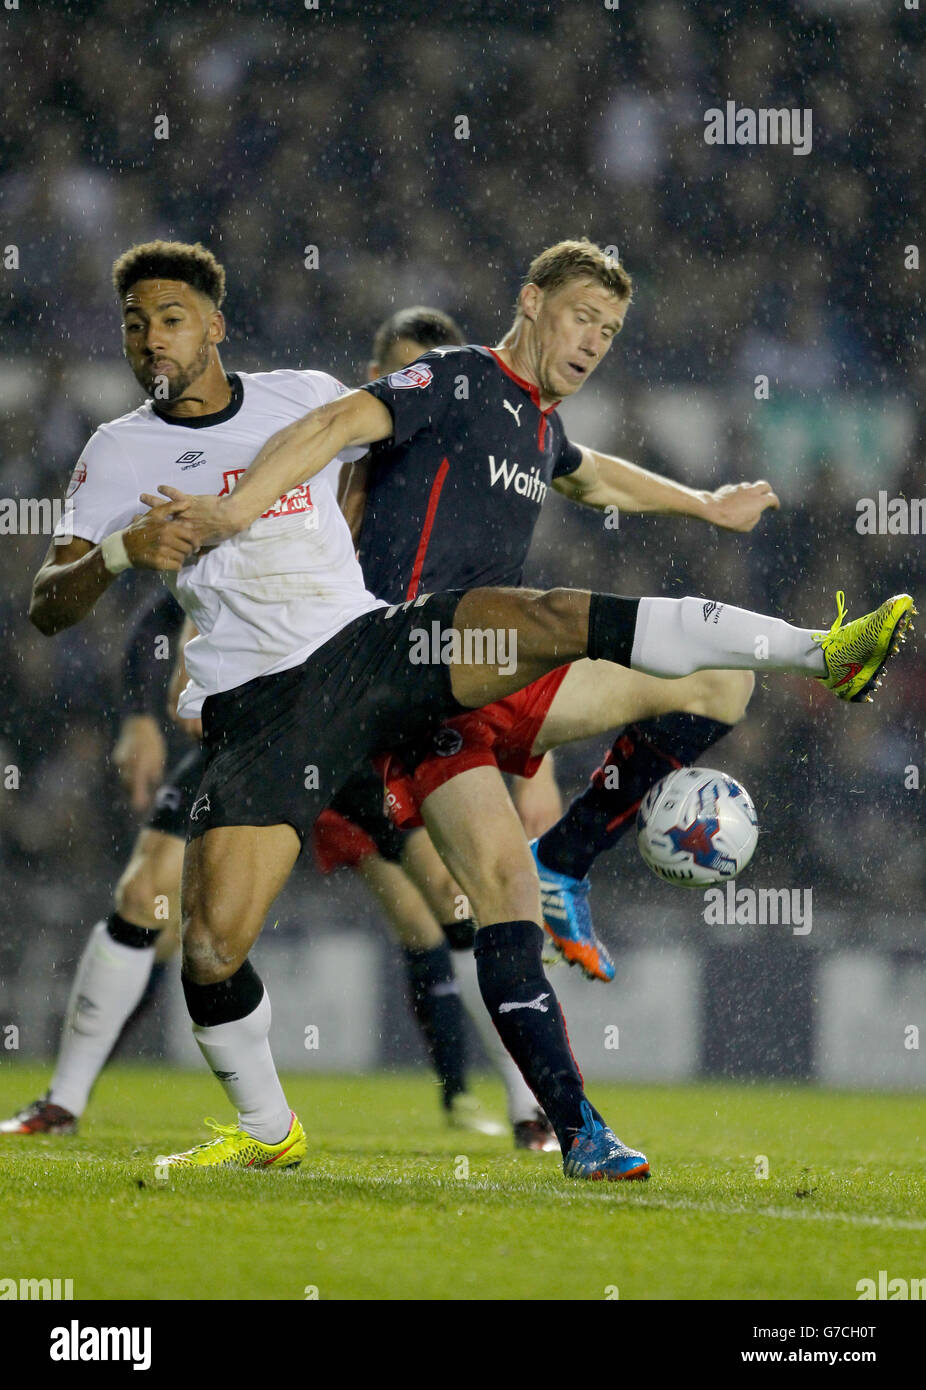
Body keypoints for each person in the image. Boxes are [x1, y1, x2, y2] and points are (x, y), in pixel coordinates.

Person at [139, 238, 910, 1179]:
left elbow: (594, 475)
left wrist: (705, 506)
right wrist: (234, 515)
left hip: (485, 673)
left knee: (716, 688)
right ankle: (823, 651)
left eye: (610, 331)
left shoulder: (540, 426)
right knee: (504, 839)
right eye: (582, 317)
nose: (594, 342)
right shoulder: (457, 378)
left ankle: (573, 968)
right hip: (406, 666)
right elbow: (338, 421)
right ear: (532, 302)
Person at [2, 307, 555, 1151]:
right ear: (377, 380)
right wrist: (141, 715)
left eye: (436, 378)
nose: (423, 396)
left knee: (460, 898)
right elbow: (164, 606)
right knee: (150, 895)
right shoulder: (306, 451)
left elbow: (538, 554)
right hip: (267, 714)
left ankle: (529, 1109)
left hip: (371, 714)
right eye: (405, 376)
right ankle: (63, 1102)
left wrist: (536, 757)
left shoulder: (451, 492)